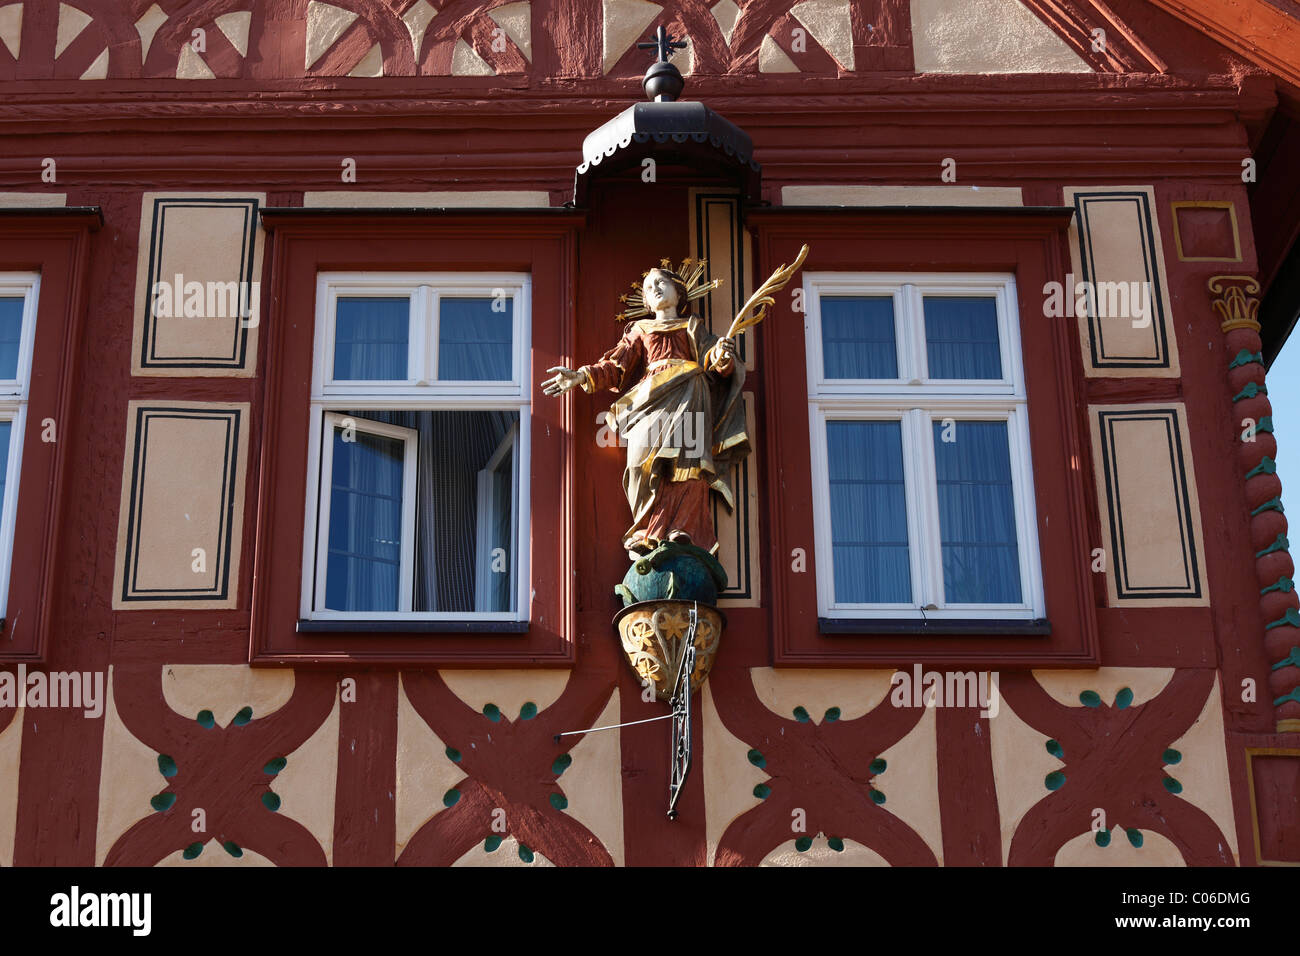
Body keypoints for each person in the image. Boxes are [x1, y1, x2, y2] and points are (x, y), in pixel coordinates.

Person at [542, 266, 750, 558]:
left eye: (662, 282)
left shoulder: (692, 326)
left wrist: (722, 355)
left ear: (679, 293)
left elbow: (711, 359)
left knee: (687, 465)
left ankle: (684, 530)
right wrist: (580, 375)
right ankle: (647, 530)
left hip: (689, 393)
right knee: (640, 462)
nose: (654, 288)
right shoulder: (640, 330)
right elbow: (616, 367)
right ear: (646, 303)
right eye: (648, 286)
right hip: (649, 398)